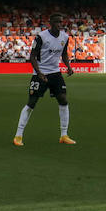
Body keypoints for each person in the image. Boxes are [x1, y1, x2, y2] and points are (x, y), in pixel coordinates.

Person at [13, 14, 76, 147]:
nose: (60, 24)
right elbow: (32, 56)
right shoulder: (41, 37)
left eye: (61, 22)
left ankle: (64, 135)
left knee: (63, 99)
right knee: (32, 102)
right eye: (57, 22)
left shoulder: (64, 37)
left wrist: (68, 66)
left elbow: (64, 54)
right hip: (40, 73)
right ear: (51, 23)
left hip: (55, 73)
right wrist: (39, 72)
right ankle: (18, 135)